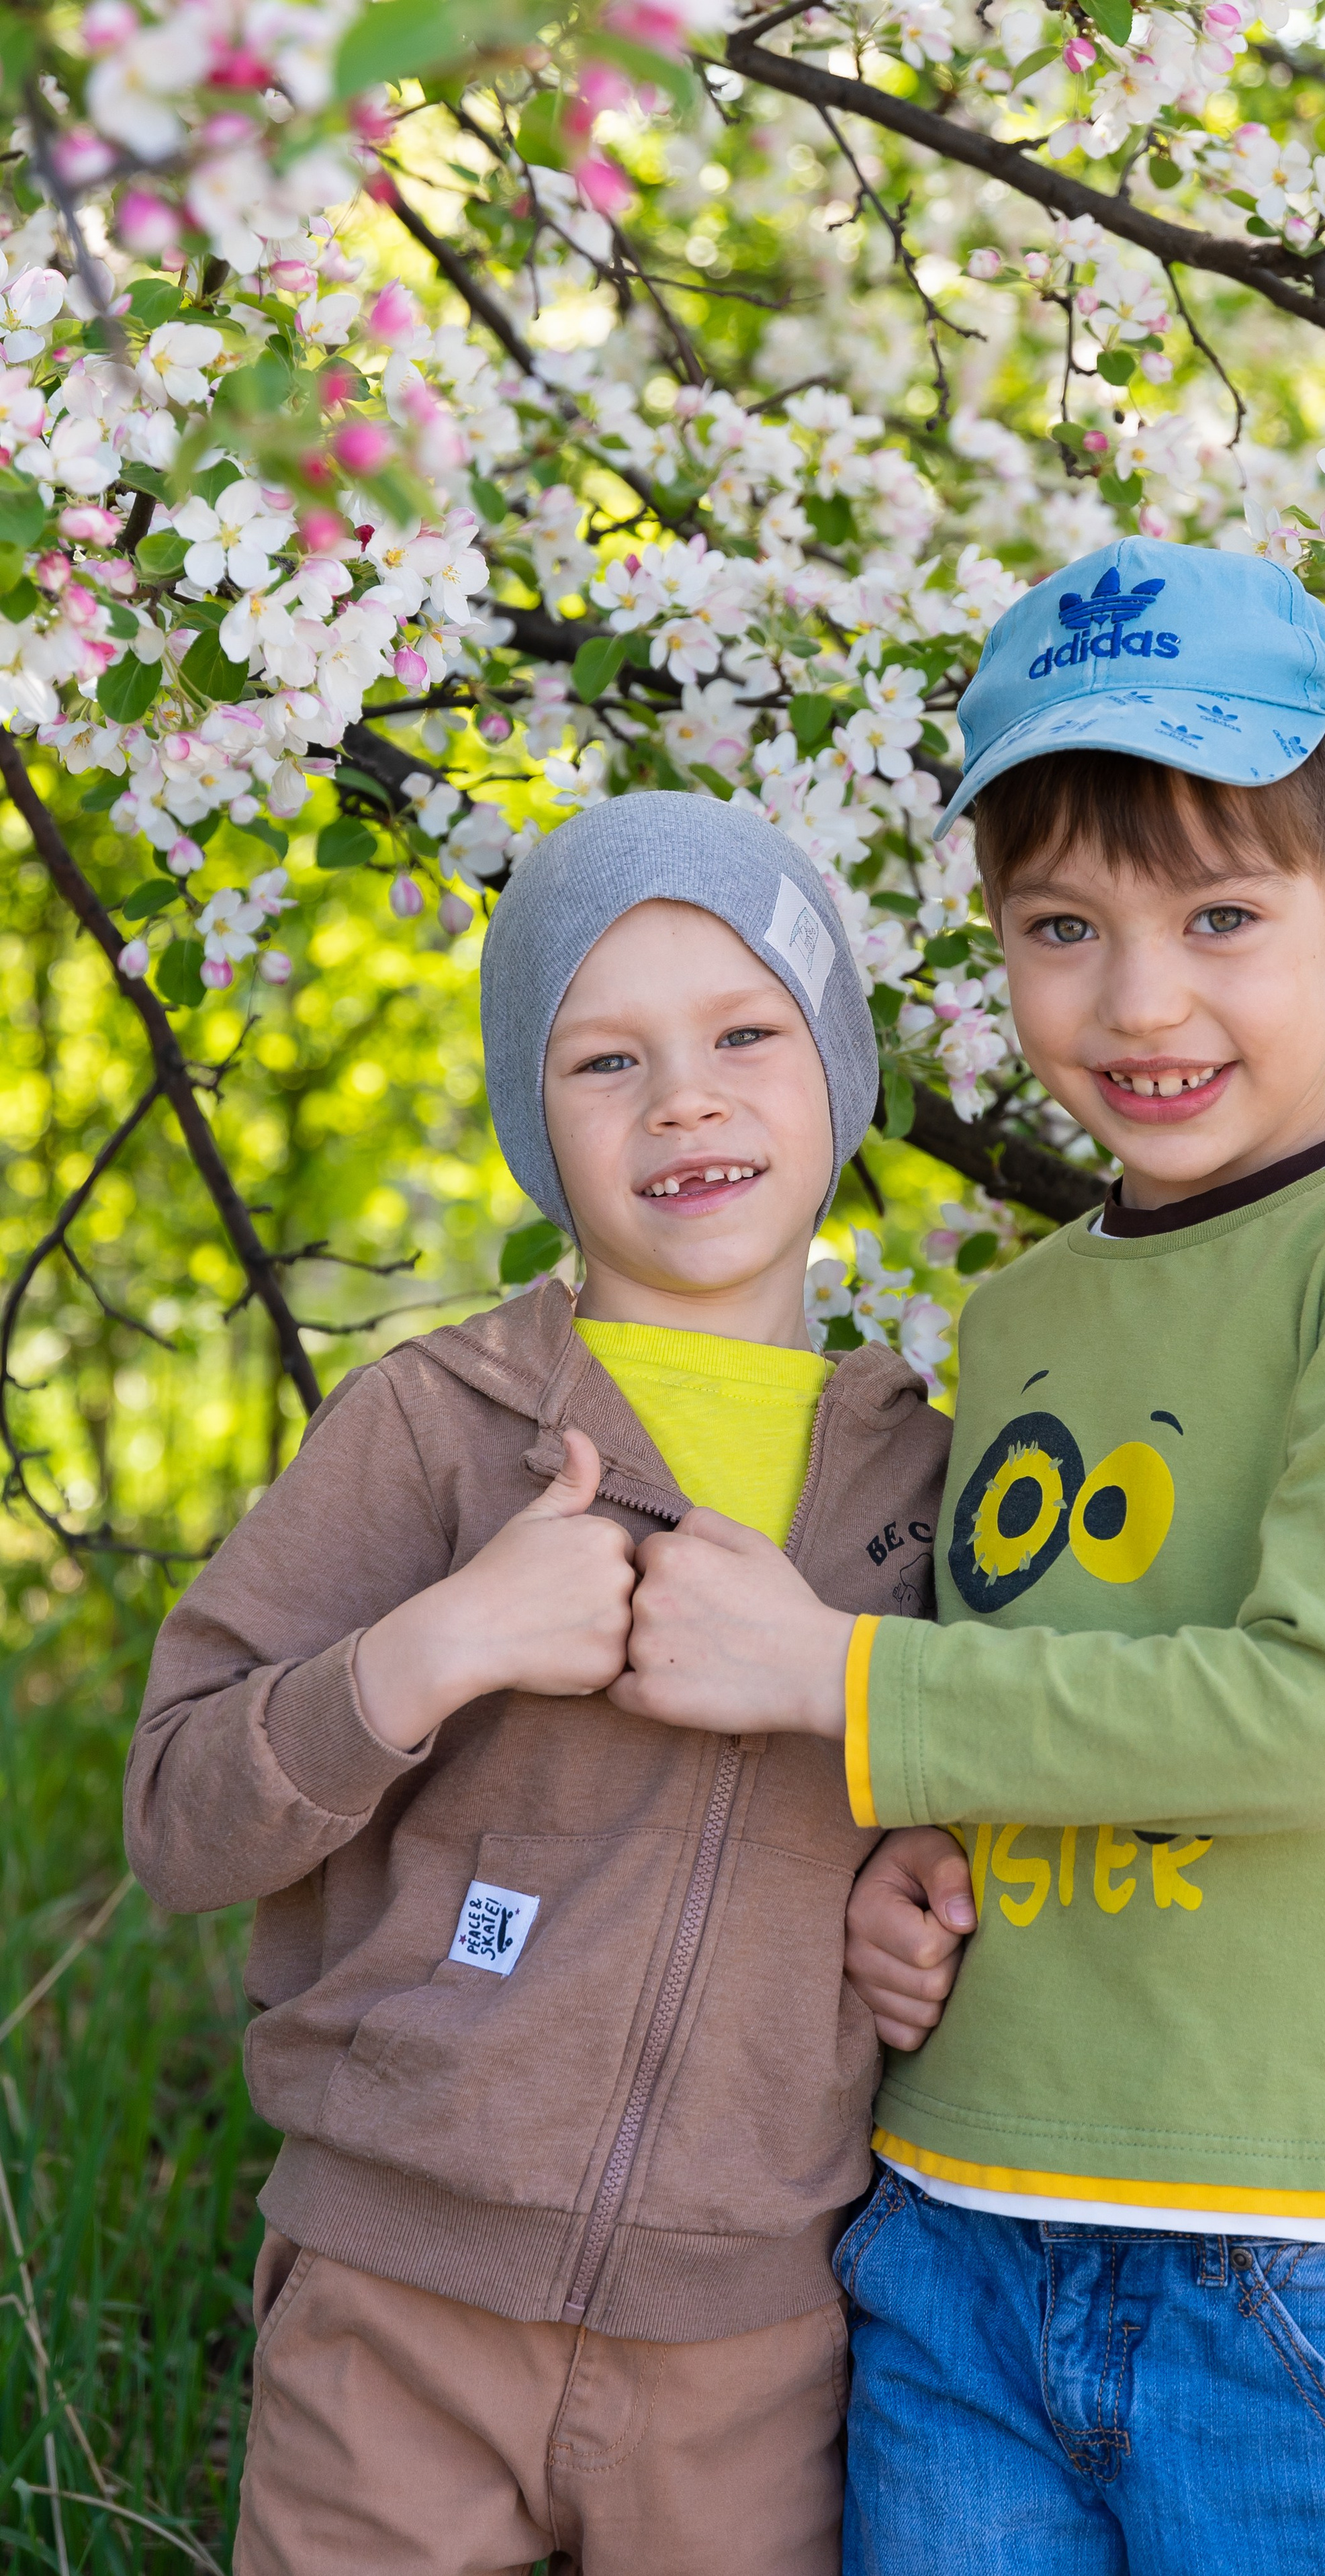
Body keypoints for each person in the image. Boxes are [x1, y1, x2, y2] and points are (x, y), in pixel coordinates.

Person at [610, 539, 1325, 2576]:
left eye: (1224, 915)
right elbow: (1011, 1710)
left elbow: (1310, 1720)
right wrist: (906, 1873)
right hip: (955, 2225)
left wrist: (836, 1682)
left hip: (1292, 2261)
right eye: (1064, 926)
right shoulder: (1023, 1316)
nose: (1142, 1001)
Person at [124, 793, 951, 2576]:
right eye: (604, 1060)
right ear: (532, 1118)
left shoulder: (933, 1481)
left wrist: (931, 1877)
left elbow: (973, 1795)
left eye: (746, 1032)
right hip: (399, 2299)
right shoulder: (434, 1428)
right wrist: (438, 1647)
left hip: (751, 2339)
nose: (687, 1100)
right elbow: (175, 1817)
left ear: (837, 1068)